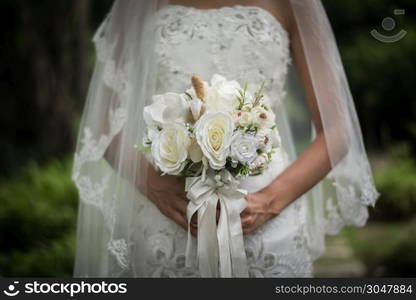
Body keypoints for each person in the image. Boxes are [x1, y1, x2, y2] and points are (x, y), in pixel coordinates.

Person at [72, 0, 379, 277]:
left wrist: (269, 202)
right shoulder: (135, 5)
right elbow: (103, 126)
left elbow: (336, 130)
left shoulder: (295, 4)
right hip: (166, 215)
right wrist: (154, 185)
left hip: (267, 216)